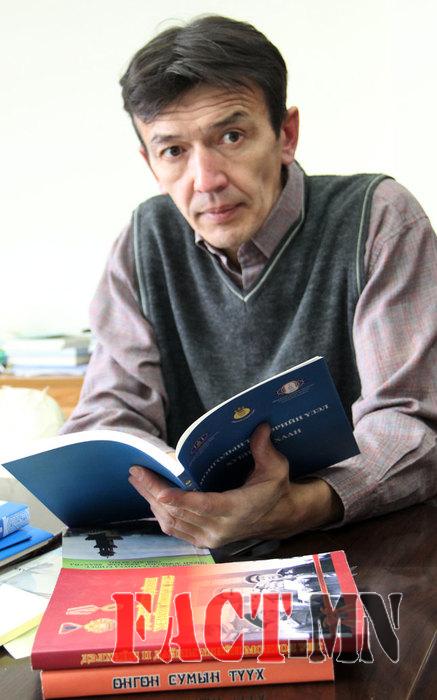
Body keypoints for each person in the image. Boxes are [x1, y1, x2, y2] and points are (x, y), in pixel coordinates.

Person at [61, 15, 437, 548]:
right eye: (174, 151)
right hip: (195, 547)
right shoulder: (144, 241)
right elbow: (112, 411)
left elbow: (410, 424)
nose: (206, 180)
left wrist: (297, 507)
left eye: (231, 136)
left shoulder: (379, 219)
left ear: (286, 135)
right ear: (150, 163)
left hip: (367, 544)